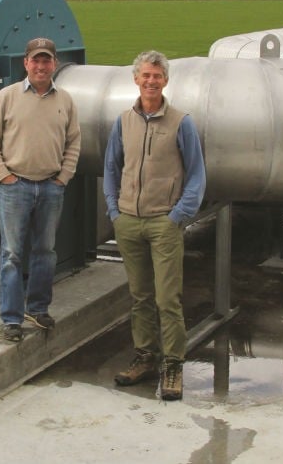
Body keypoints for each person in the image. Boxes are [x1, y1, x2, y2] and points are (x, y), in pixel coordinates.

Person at [102, 50, 206, 400]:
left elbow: (197, 175)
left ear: (165, 80)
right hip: (129, 221)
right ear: (136, 79)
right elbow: (111, 169)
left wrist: (177, 216)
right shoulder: (124, 121)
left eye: (157, 76)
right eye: (145, 75)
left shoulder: (181, 122)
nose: (150, 81)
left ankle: (173, 365)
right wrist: (115, 212)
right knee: (140, 297)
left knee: (167, 299)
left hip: (164, 222)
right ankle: (145, 357)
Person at [0, 37, 81, 342]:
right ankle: (11, 319)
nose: (41, 66)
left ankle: (38, 309)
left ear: (54, 64)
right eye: (35, 60)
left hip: (51, 188)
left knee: (45, 252)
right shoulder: (7, 97)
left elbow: (74, 140)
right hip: (15, 188)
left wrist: (63, 176)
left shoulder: (64, 100)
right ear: (25, 64)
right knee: (11, 253)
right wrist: (4, 176)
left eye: (46, 60)